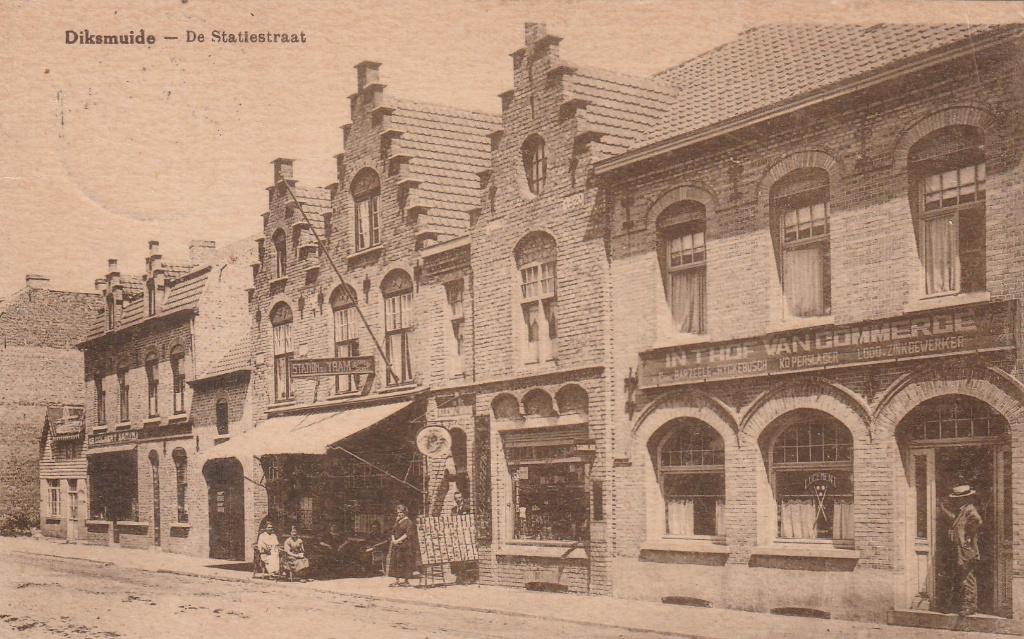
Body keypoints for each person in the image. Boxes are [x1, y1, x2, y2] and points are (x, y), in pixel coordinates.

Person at [940, 484, 983, 616]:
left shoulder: (970, 511)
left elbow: (977, 522)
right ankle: (966, 604)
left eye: (958, 499)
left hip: (967, 550)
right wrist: (942, 508)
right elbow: (955, 520)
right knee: (964, 577)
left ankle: (970, 606)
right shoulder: (963, 510)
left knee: (968, 577)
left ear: (964, 498)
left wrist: (967, 538)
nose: (956, 501)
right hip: (962, 549)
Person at [387, 504, 416, 586]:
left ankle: (406, 580)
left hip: (405, 545)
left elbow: (408, 534)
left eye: (401, 512)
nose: (399, 514)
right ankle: (397, 580)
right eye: (398, 512)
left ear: (405, 512)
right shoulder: (397, 521)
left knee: (405, 562)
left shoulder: (409, 522)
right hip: (397, 545)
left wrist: (398, 540)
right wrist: (393, 540)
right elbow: (392, 531)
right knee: (396, 562)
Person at [449, 491, 473, 584]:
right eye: (456, 498)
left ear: (462, 498)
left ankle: (465, 578)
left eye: (459, 498)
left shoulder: (467, 508)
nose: (458, 500)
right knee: (456, 557)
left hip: (465, 536)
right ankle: (458, 576)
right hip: (456, 537)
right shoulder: (453, 510)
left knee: (465, 557)